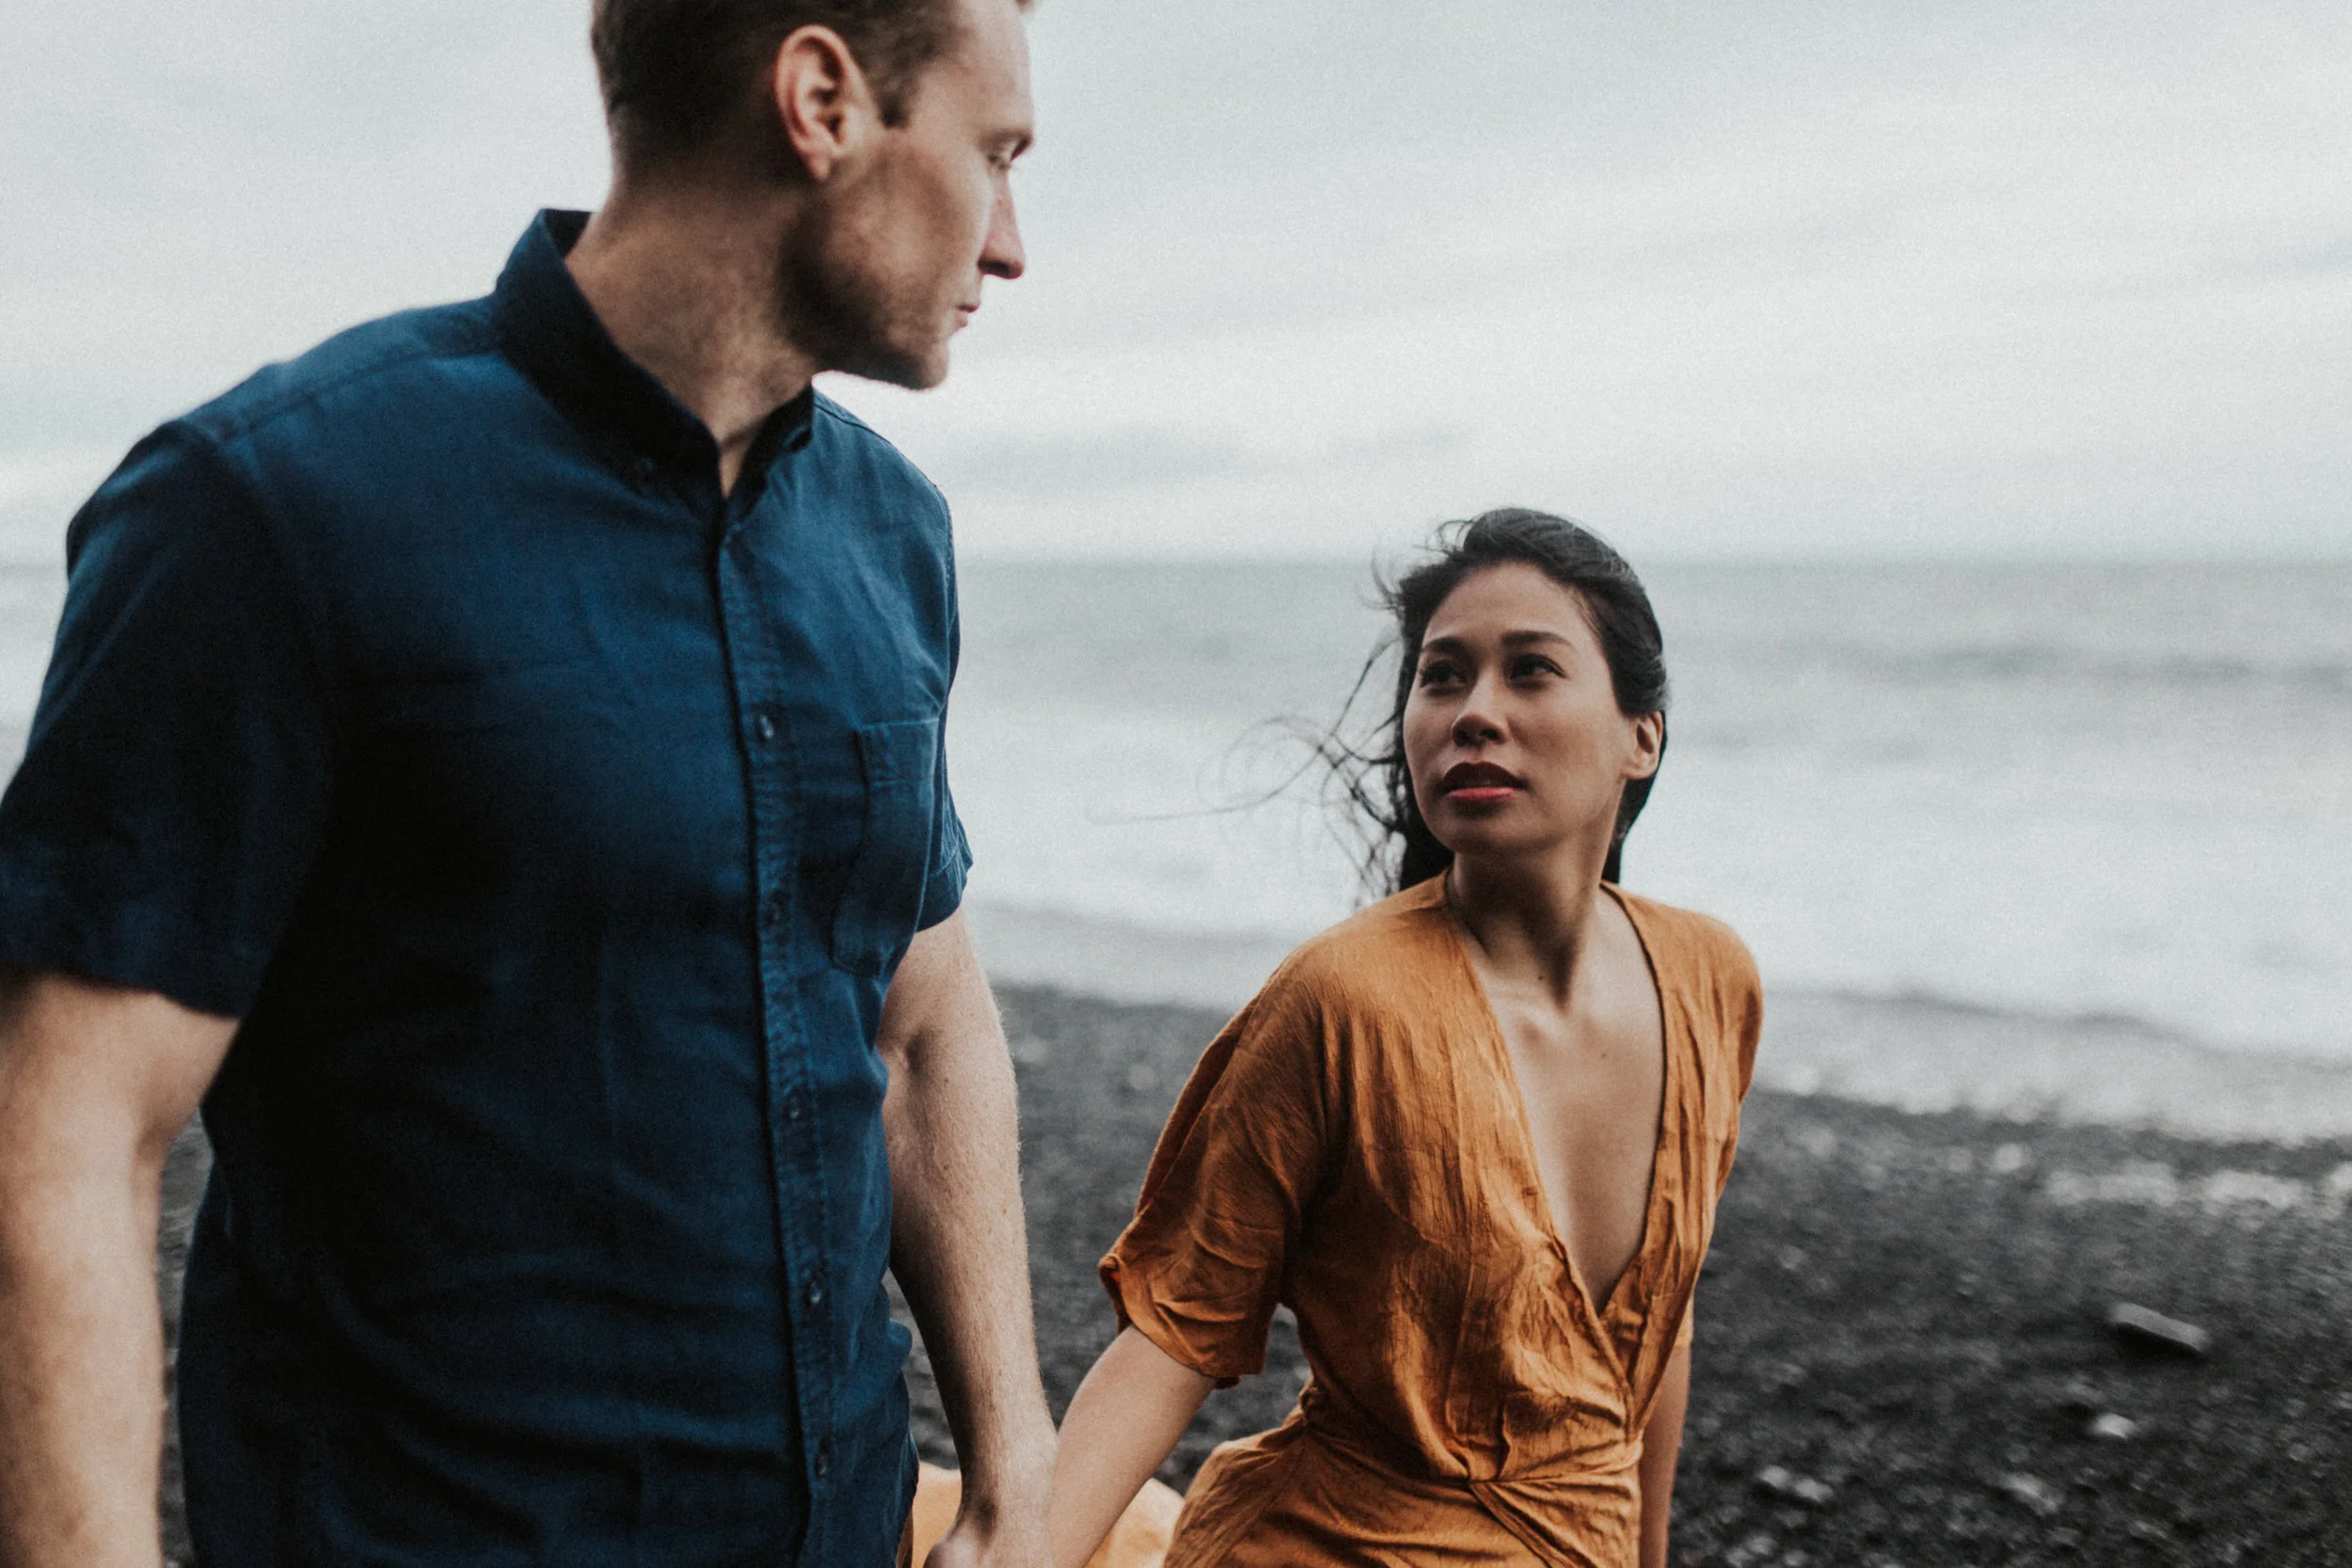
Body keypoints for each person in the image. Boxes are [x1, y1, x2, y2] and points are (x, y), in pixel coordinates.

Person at [0, 2, 1057, 1564]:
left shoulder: (895, 538)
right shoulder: (271, 509)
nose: (1015, 241)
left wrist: (1013, 1453)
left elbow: (921, 1013)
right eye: (997, 153)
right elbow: (67, 1131)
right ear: (822, 99)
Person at [1045, 510, 1763, 1568]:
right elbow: (1172, 1336)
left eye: (1529, 670)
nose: (1475, 712)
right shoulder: (1344, 999)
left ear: (1639, 735)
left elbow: (1660, 1323)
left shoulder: (1709, 979)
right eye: (1441, 677)